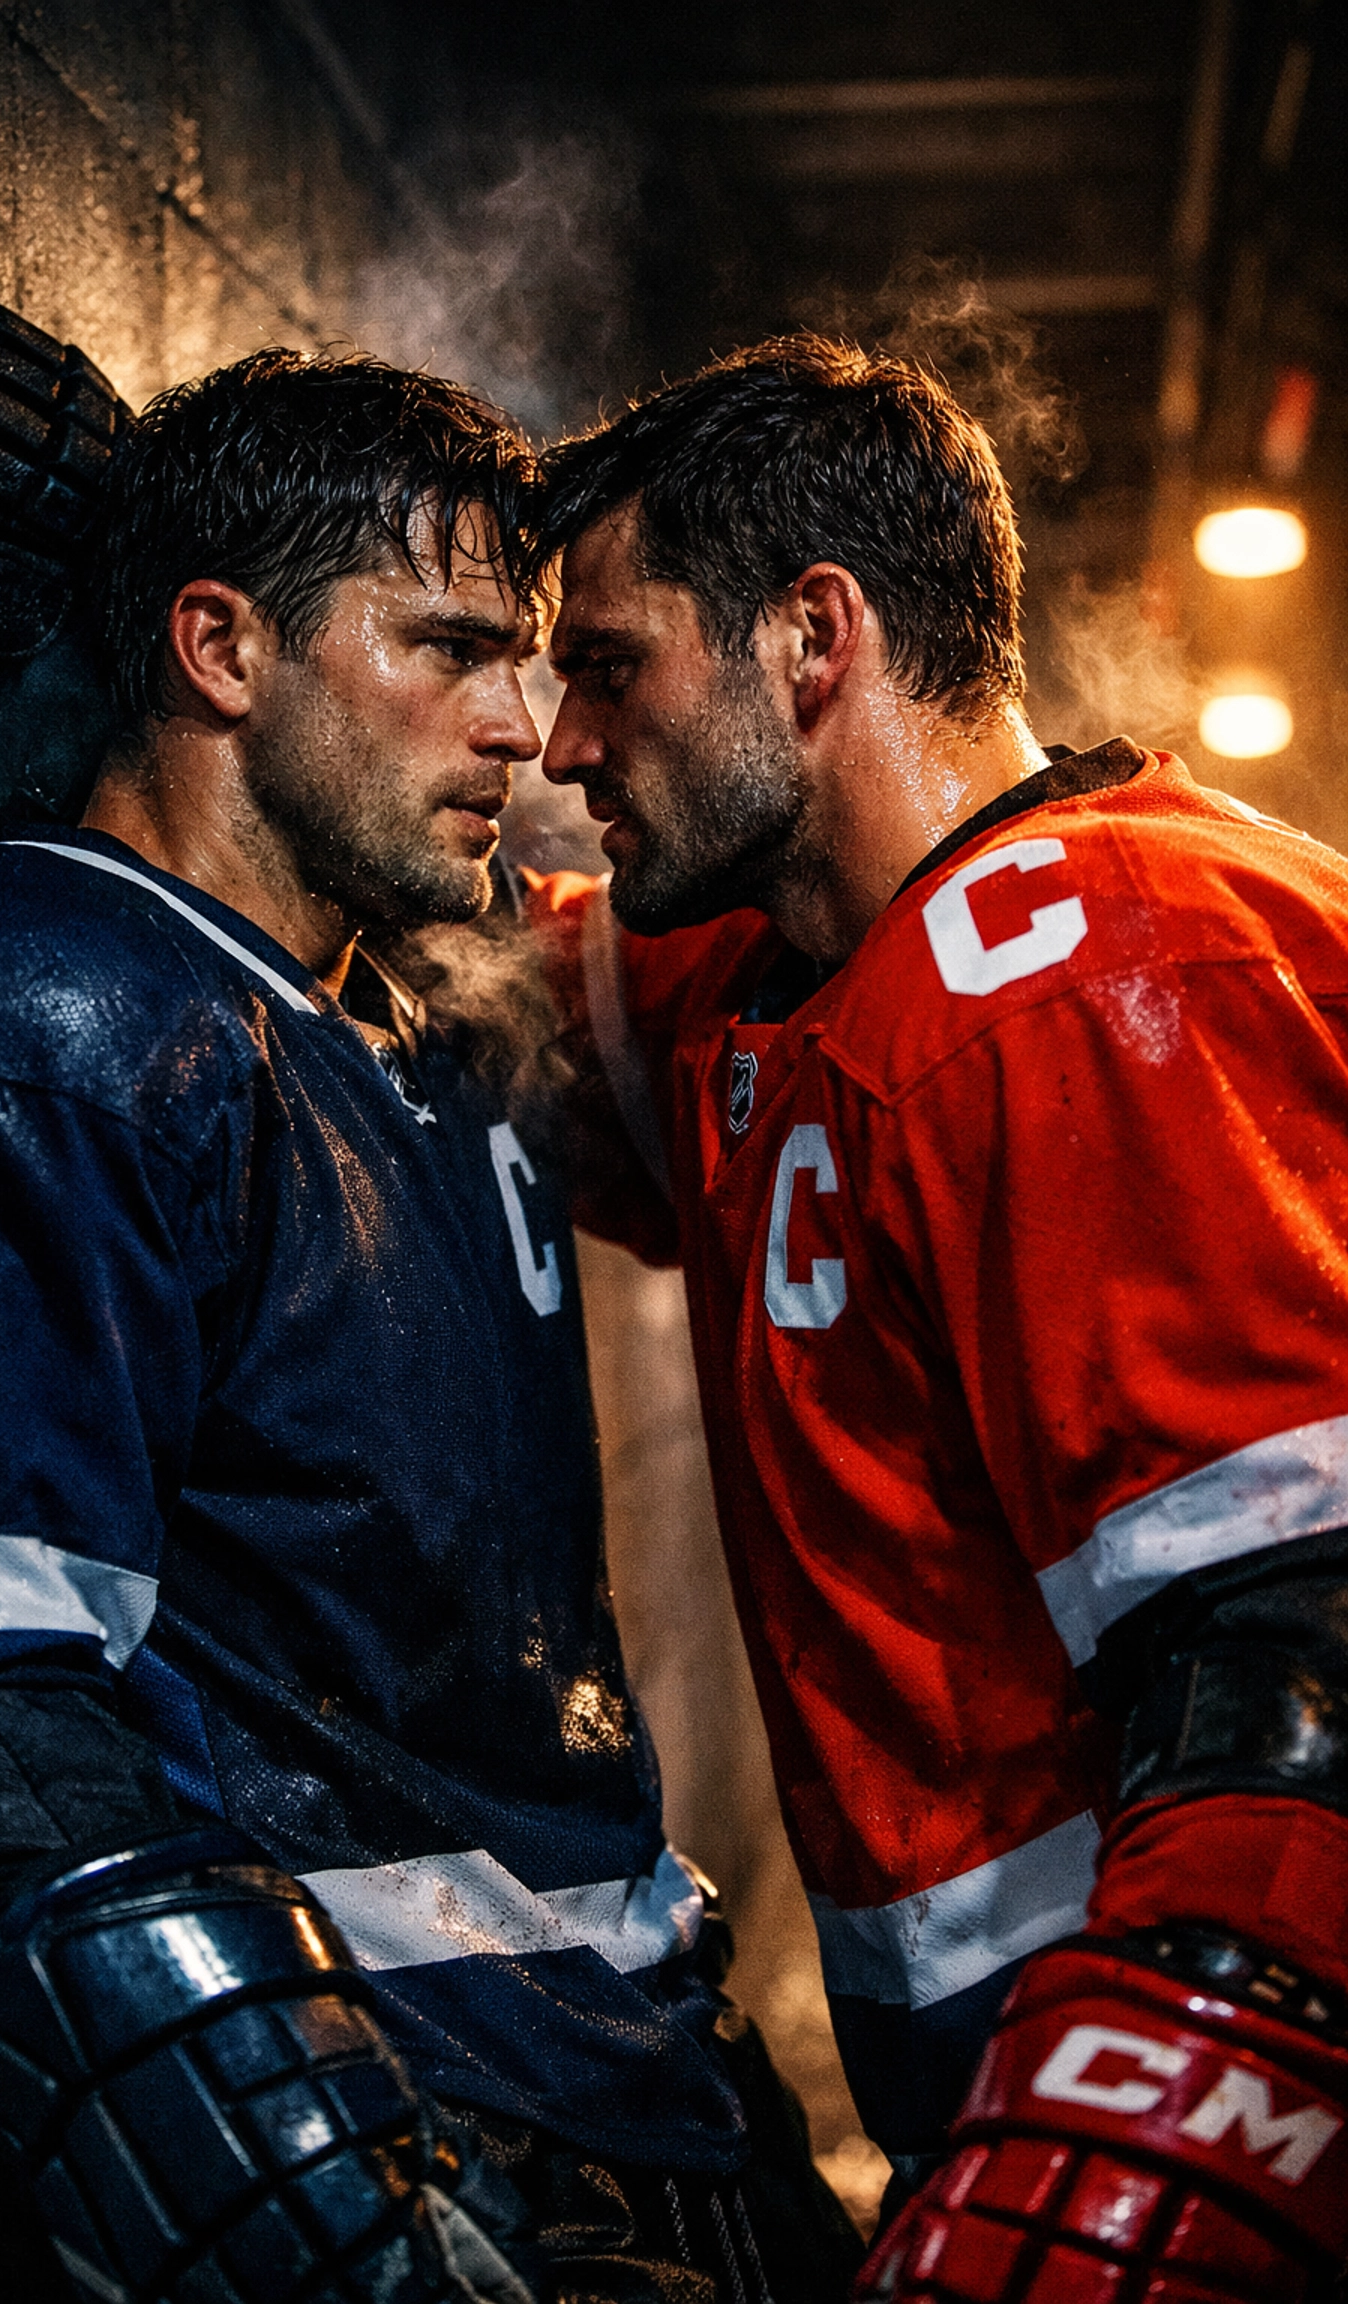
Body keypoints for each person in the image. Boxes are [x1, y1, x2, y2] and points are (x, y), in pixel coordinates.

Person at [0, 347, 859, 2304]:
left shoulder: (439, 1015)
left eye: (536, 659)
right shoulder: (17, 1022)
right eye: (454, 649)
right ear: (219, 646)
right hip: (391, 2135)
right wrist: (313, 2194)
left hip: (651, 2101)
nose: (530, 731)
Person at [529, 335, 1348, 2304]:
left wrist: (1115, 2166)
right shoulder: (776, 981)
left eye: (610, 665)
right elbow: (413, 940)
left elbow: (1306, 1691)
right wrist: (168, 592)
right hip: (1004, 2090)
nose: (560, 743)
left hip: (1203, 2118)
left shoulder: (1106, 981)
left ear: (814, 637)